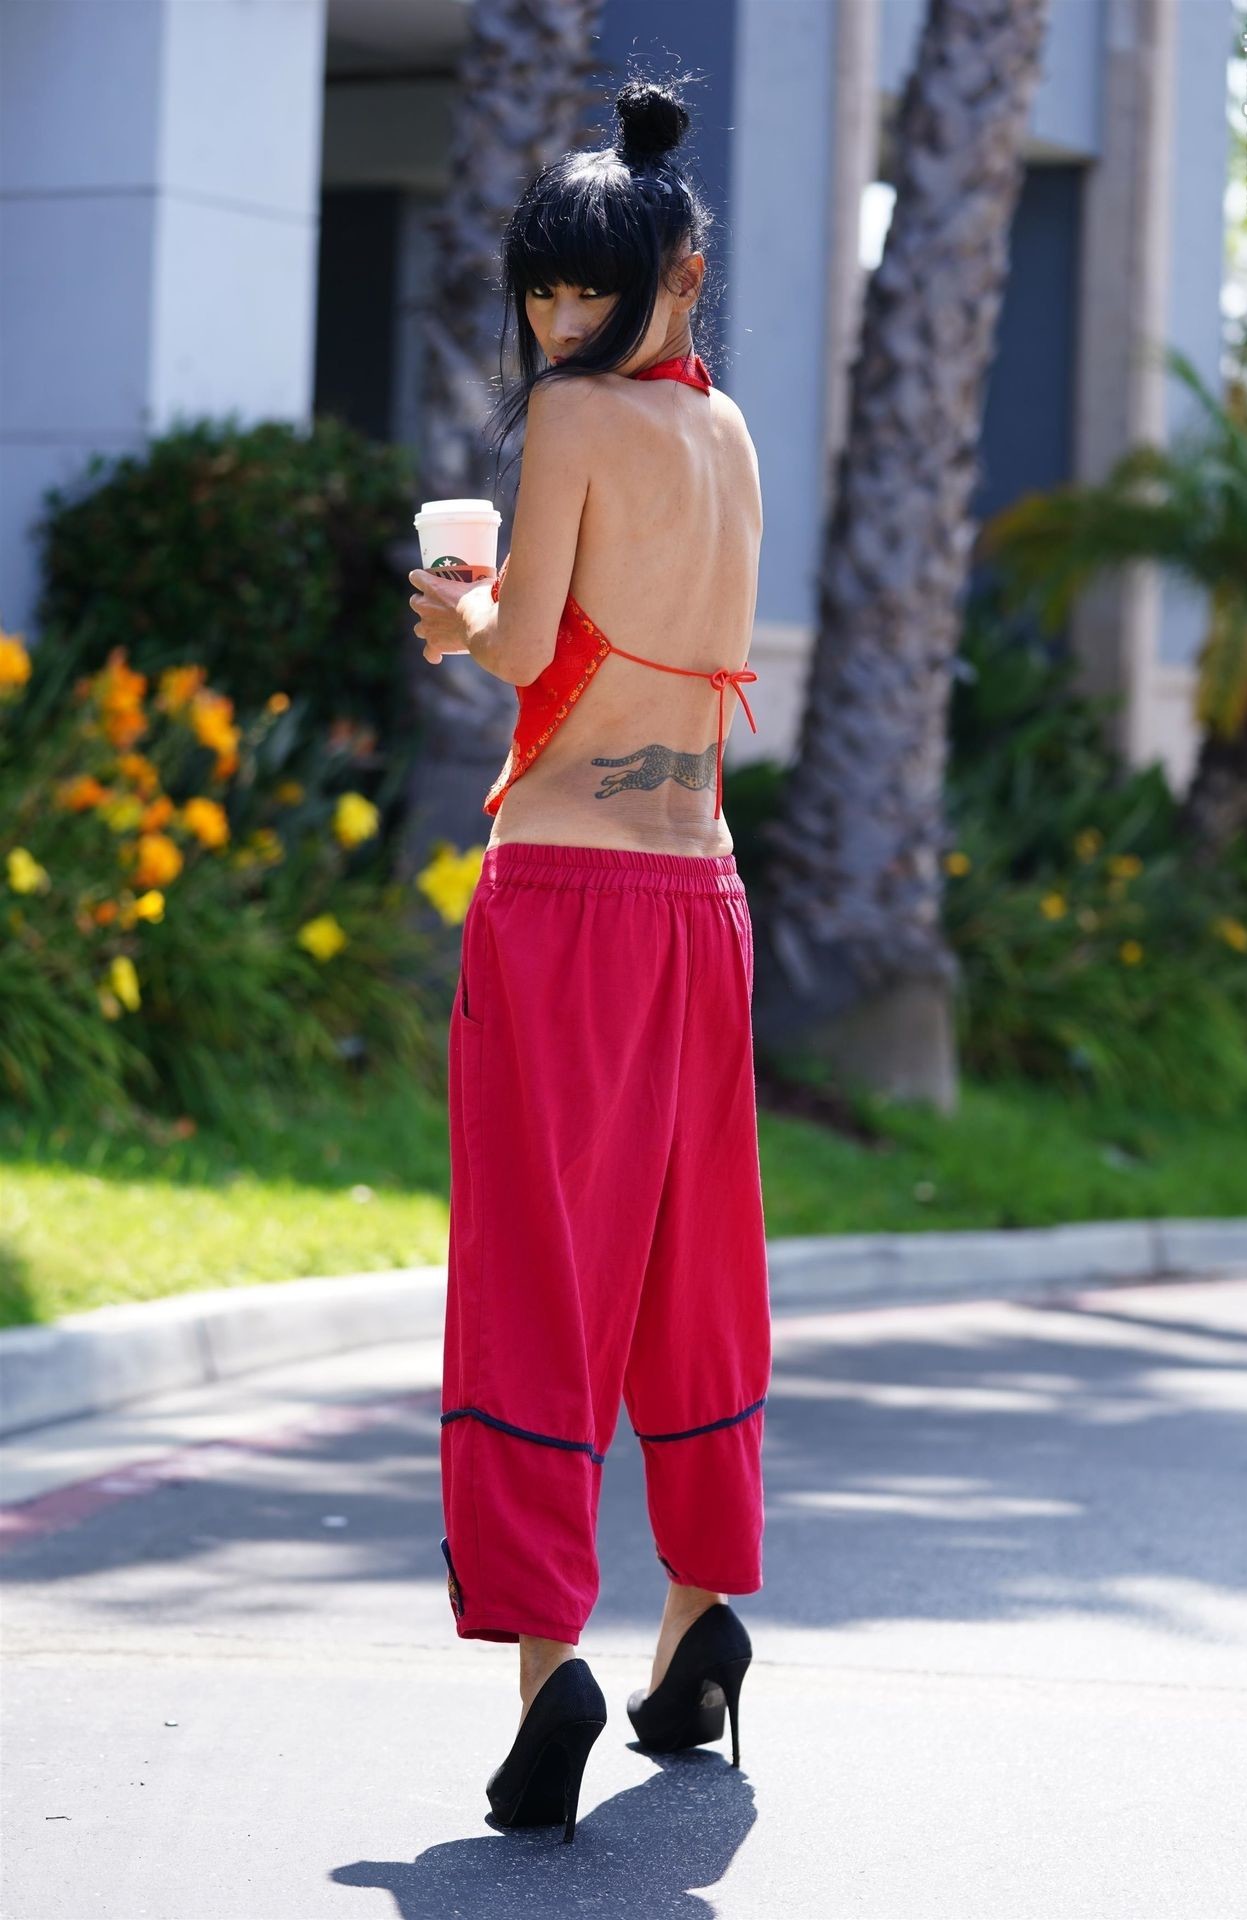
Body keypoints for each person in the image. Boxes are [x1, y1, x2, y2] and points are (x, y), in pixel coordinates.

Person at [408, 73, 771, 1846]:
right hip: (703, 899)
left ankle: (549, 1659)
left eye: (590, 292)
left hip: (560, 899)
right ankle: (697, 1631)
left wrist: (458, 616)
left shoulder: (568, 421)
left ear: (676, 281)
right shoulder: (732, 440)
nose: (560, 324)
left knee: (540, 1272)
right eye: (542, 293)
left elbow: (530, 640)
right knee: (693, 1267)